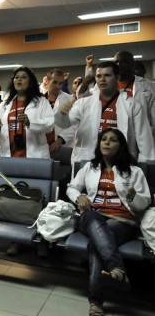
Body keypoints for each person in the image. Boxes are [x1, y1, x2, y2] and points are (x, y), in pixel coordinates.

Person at [66, 128, 151, 316]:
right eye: (104, 139)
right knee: (92, 216)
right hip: (91, 216)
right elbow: (71, 187)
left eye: (112, 140)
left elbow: (144, 202)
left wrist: (134, 197)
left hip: (122, 220)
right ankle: (117, 269)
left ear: (120, 146)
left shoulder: (134, 171)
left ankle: (97, 301)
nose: (106, 142)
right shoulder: (90, 167)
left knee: (96, 245)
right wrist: (79, 196)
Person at [55, 61, 154, 168]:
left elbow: (145, 141)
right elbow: (65, 124)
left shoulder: (132, 105)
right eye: (98, 76)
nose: (102, 79)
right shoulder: (83, 103)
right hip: (88, 160)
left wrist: (146, 167)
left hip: (120, 161)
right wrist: (62, 113)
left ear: (117, 77)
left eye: (107, 75)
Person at [0, 66, 54, 159]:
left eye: (24, 77)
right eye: (16, 77)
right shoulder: (6, 102)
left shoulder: (41, 101)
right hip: (9, 155)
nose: (19, 79)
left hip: (34, 155)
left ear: (30, 82)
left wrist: (30, 123)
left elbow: (50, 125)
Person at [44, 69, 75, 152]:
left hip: (62, 144)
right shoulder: (39, 100)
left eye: (60, 83)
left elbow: (74, 124)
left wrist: (59, 140)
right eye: (54, 82)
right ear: (47, 81)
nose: (58, 86)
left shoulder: (70, 100)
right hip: (42, 144)